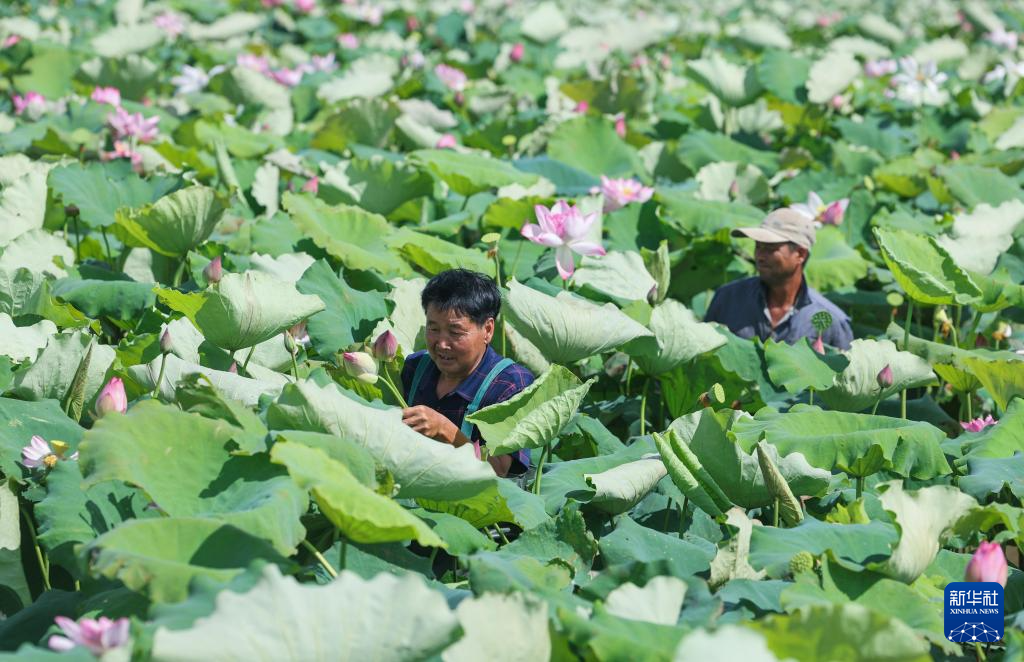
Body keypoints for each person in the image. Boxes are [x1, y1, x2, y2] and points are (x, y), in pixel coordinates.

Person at [400, 269, 534, 477]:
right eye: (433, 329)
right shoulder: (415, 367)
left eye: (455, 333)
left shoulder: (511, 385)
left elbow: (499, 471)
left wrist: (445, 430)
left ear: (488, 330)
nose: (442, 344)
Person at [704, 208, 853, 349]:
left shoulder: (832, 321)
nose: (760, 256)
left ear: (800, 254)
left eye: (770, 249)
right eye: (758, 247)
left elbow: (844, 375)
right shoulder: (727, 298)